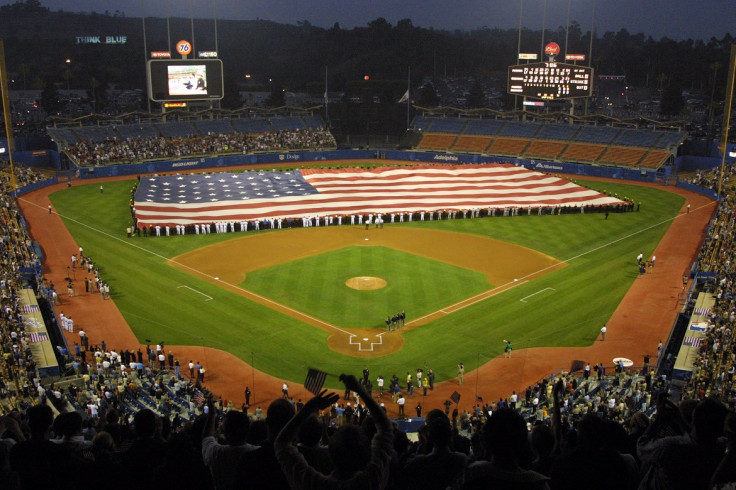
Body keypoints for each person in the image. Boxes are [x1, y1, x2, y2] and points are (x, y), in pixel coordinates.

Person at [274, 374, 393, 489]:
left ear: (330, 453)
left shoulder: (314, 484)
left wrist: (309, 407)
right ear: (366, 454)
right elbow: (385, 428)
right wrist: (360, 390)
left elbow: (281, 443)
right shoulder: (372, 481)